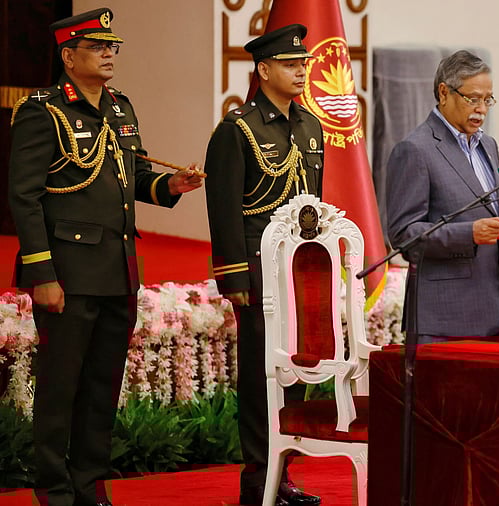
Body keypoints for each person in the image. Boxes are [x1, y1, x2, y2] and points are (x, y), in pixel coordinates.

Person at [7, 8, 203, 505]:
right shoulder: (43, 111)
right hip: (69, 274)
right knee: (61, 389)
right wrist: (42, 274)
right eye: (97, 47)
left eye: (112, 46)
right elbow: (24, 198)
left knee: (100, 390)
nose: (109, 53)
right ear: (68, 56)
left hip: (118, 271)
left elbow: (130, 179)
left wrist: (170, 186)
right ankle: (53, 490)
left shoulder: (120, 108)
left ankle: (88, 484)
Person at [204, 24, 323, 506]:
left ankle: (285, 474)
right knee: (260, 377)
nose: (301, 72)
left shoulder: (311, 126)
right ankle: (258, 480)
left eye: (304, 64)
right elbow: (224, 207)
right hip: (257, 273)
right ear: (264, 69)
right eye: (291, 64)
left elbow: (318, 209)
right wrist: (233, 275)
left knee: (297, 371)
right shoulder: (239, 129)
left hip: (303, 275)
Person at [385, 50, 499, 340]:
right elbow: (404, 235)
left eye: (488, 99)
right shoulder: (415, 149)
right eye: (473, 98)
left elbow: (493, 219)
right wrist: (468, 233)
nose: (481, 109)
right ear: (444, 92)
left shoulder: (488, 146)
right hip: (445, 320)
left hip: (496, 312)